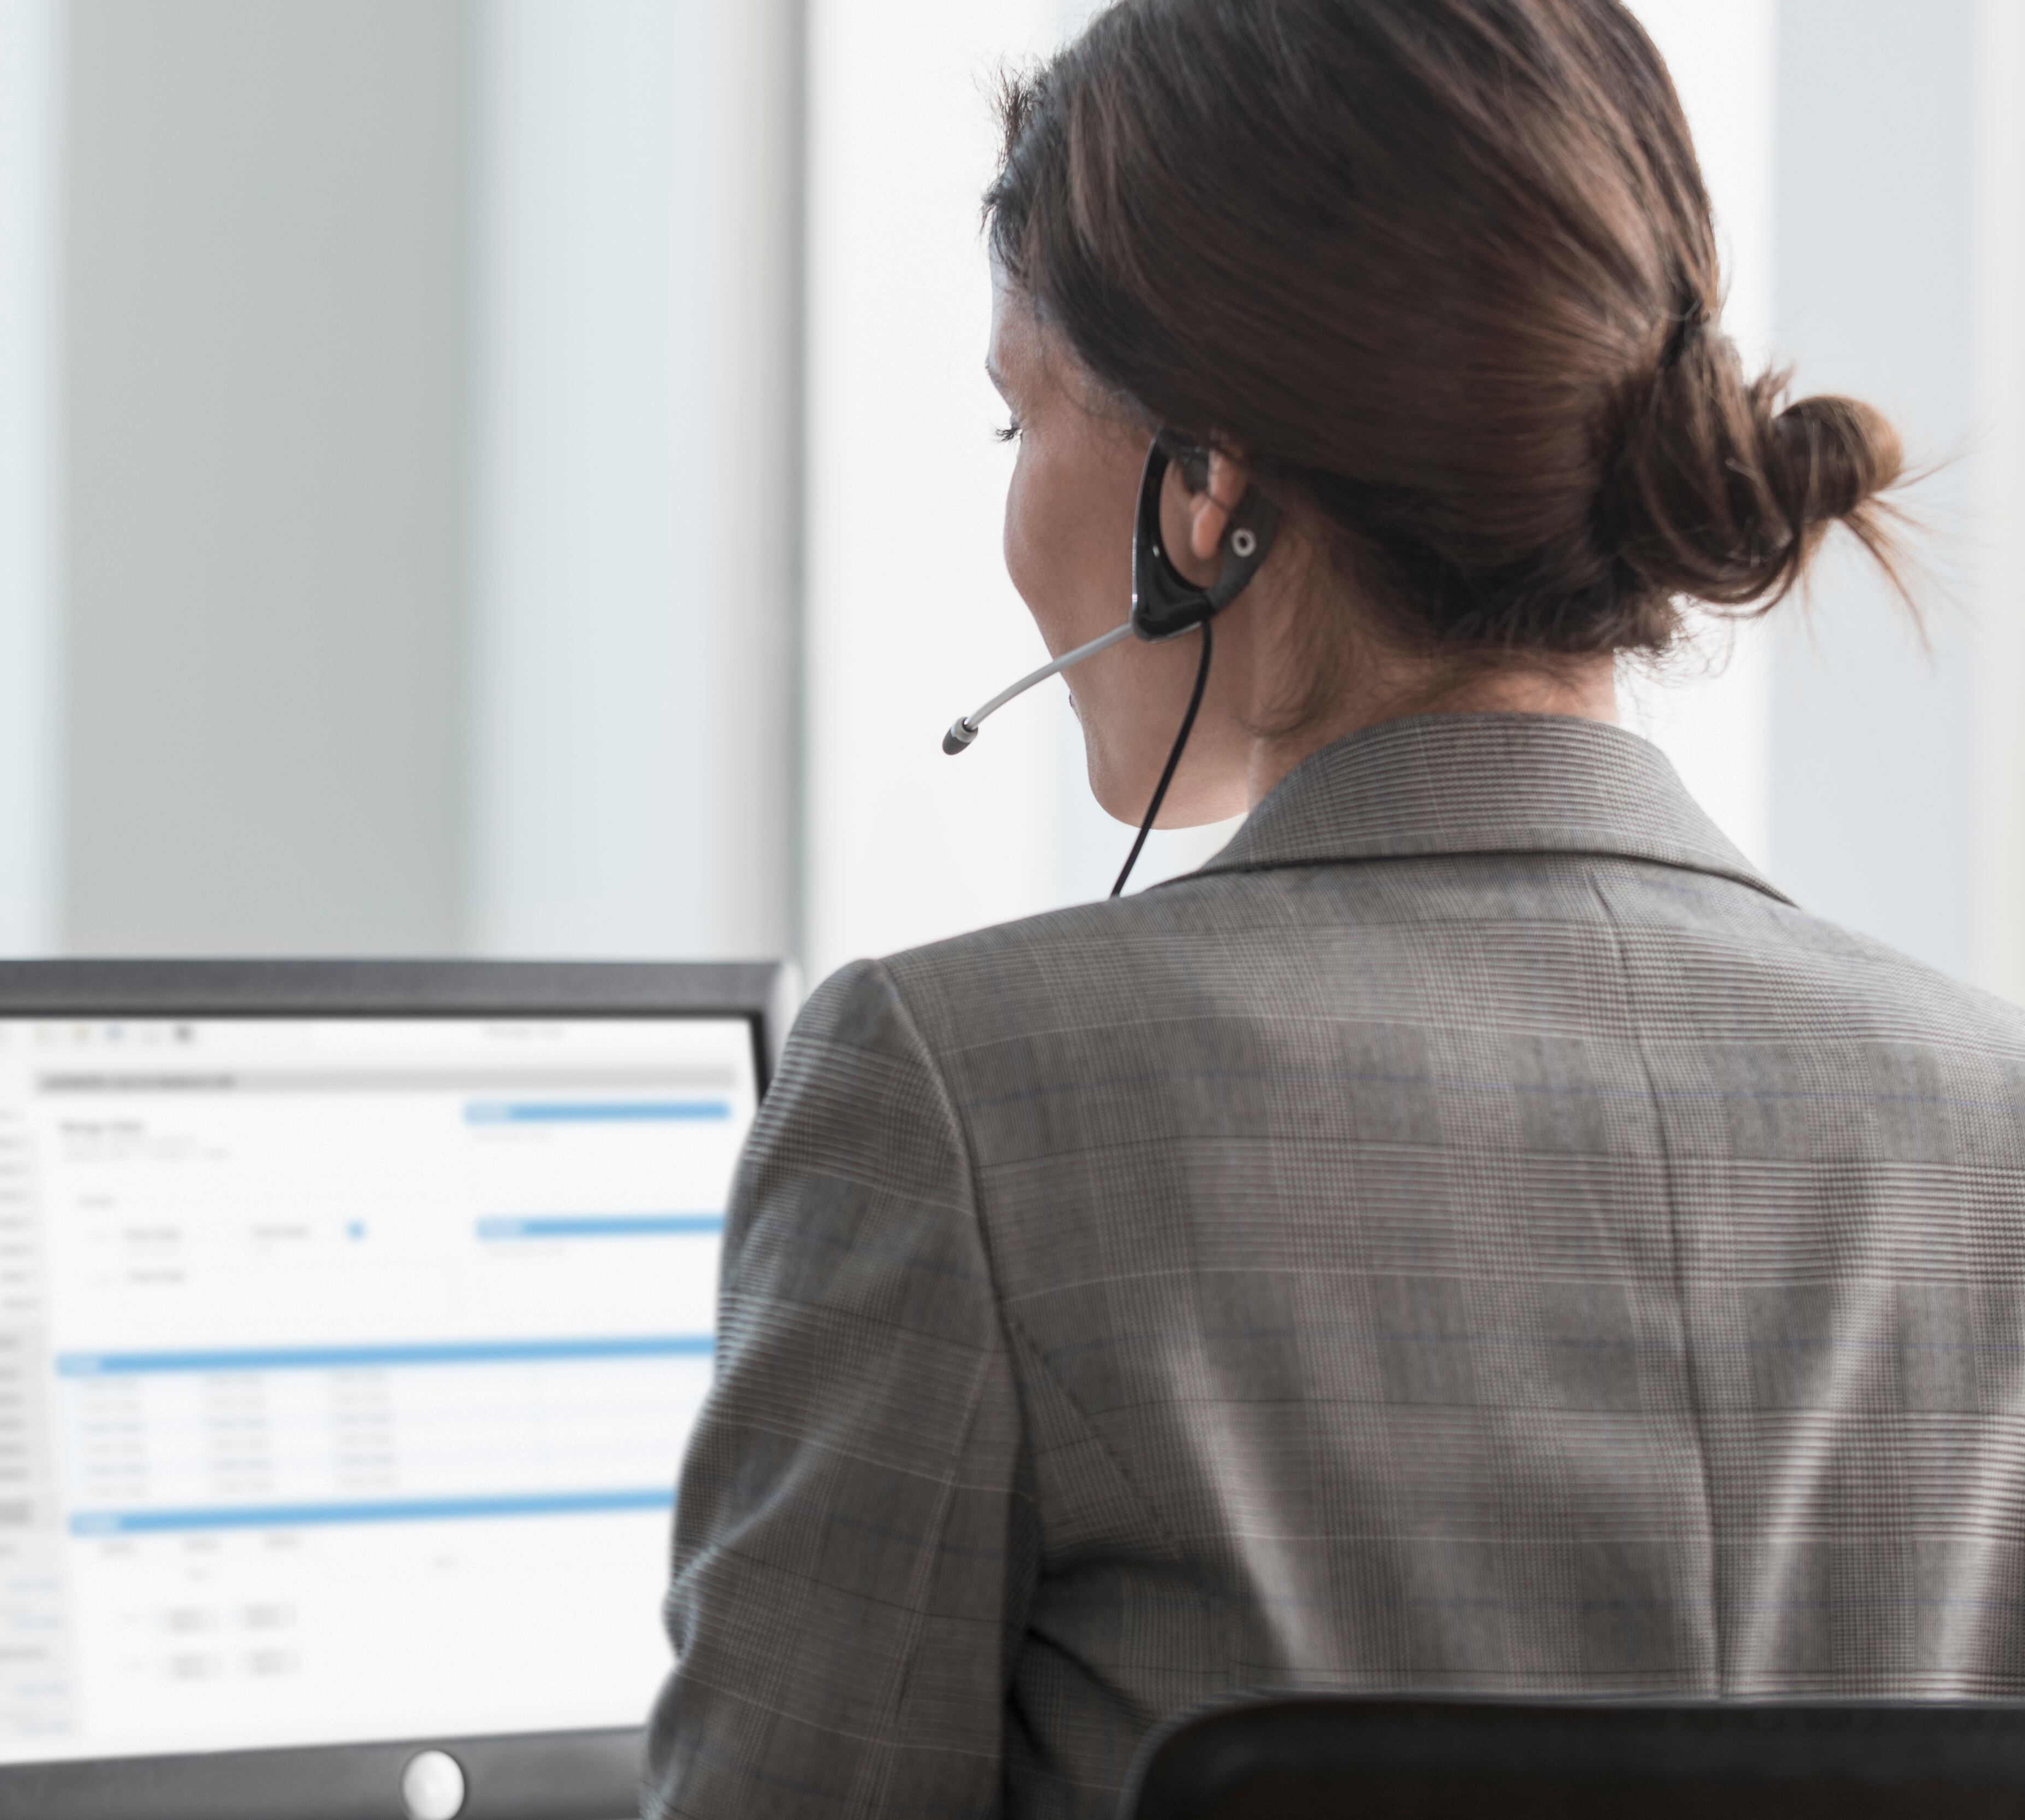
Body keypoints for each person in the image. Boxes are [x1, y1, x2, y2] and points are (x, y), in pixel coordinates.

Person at [645, 2, 2025, 1815]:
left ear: (1204, 491)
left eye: (1015, 416)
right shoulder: (1989, 1114)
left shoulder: (954, 1099)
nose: (1004, 506)